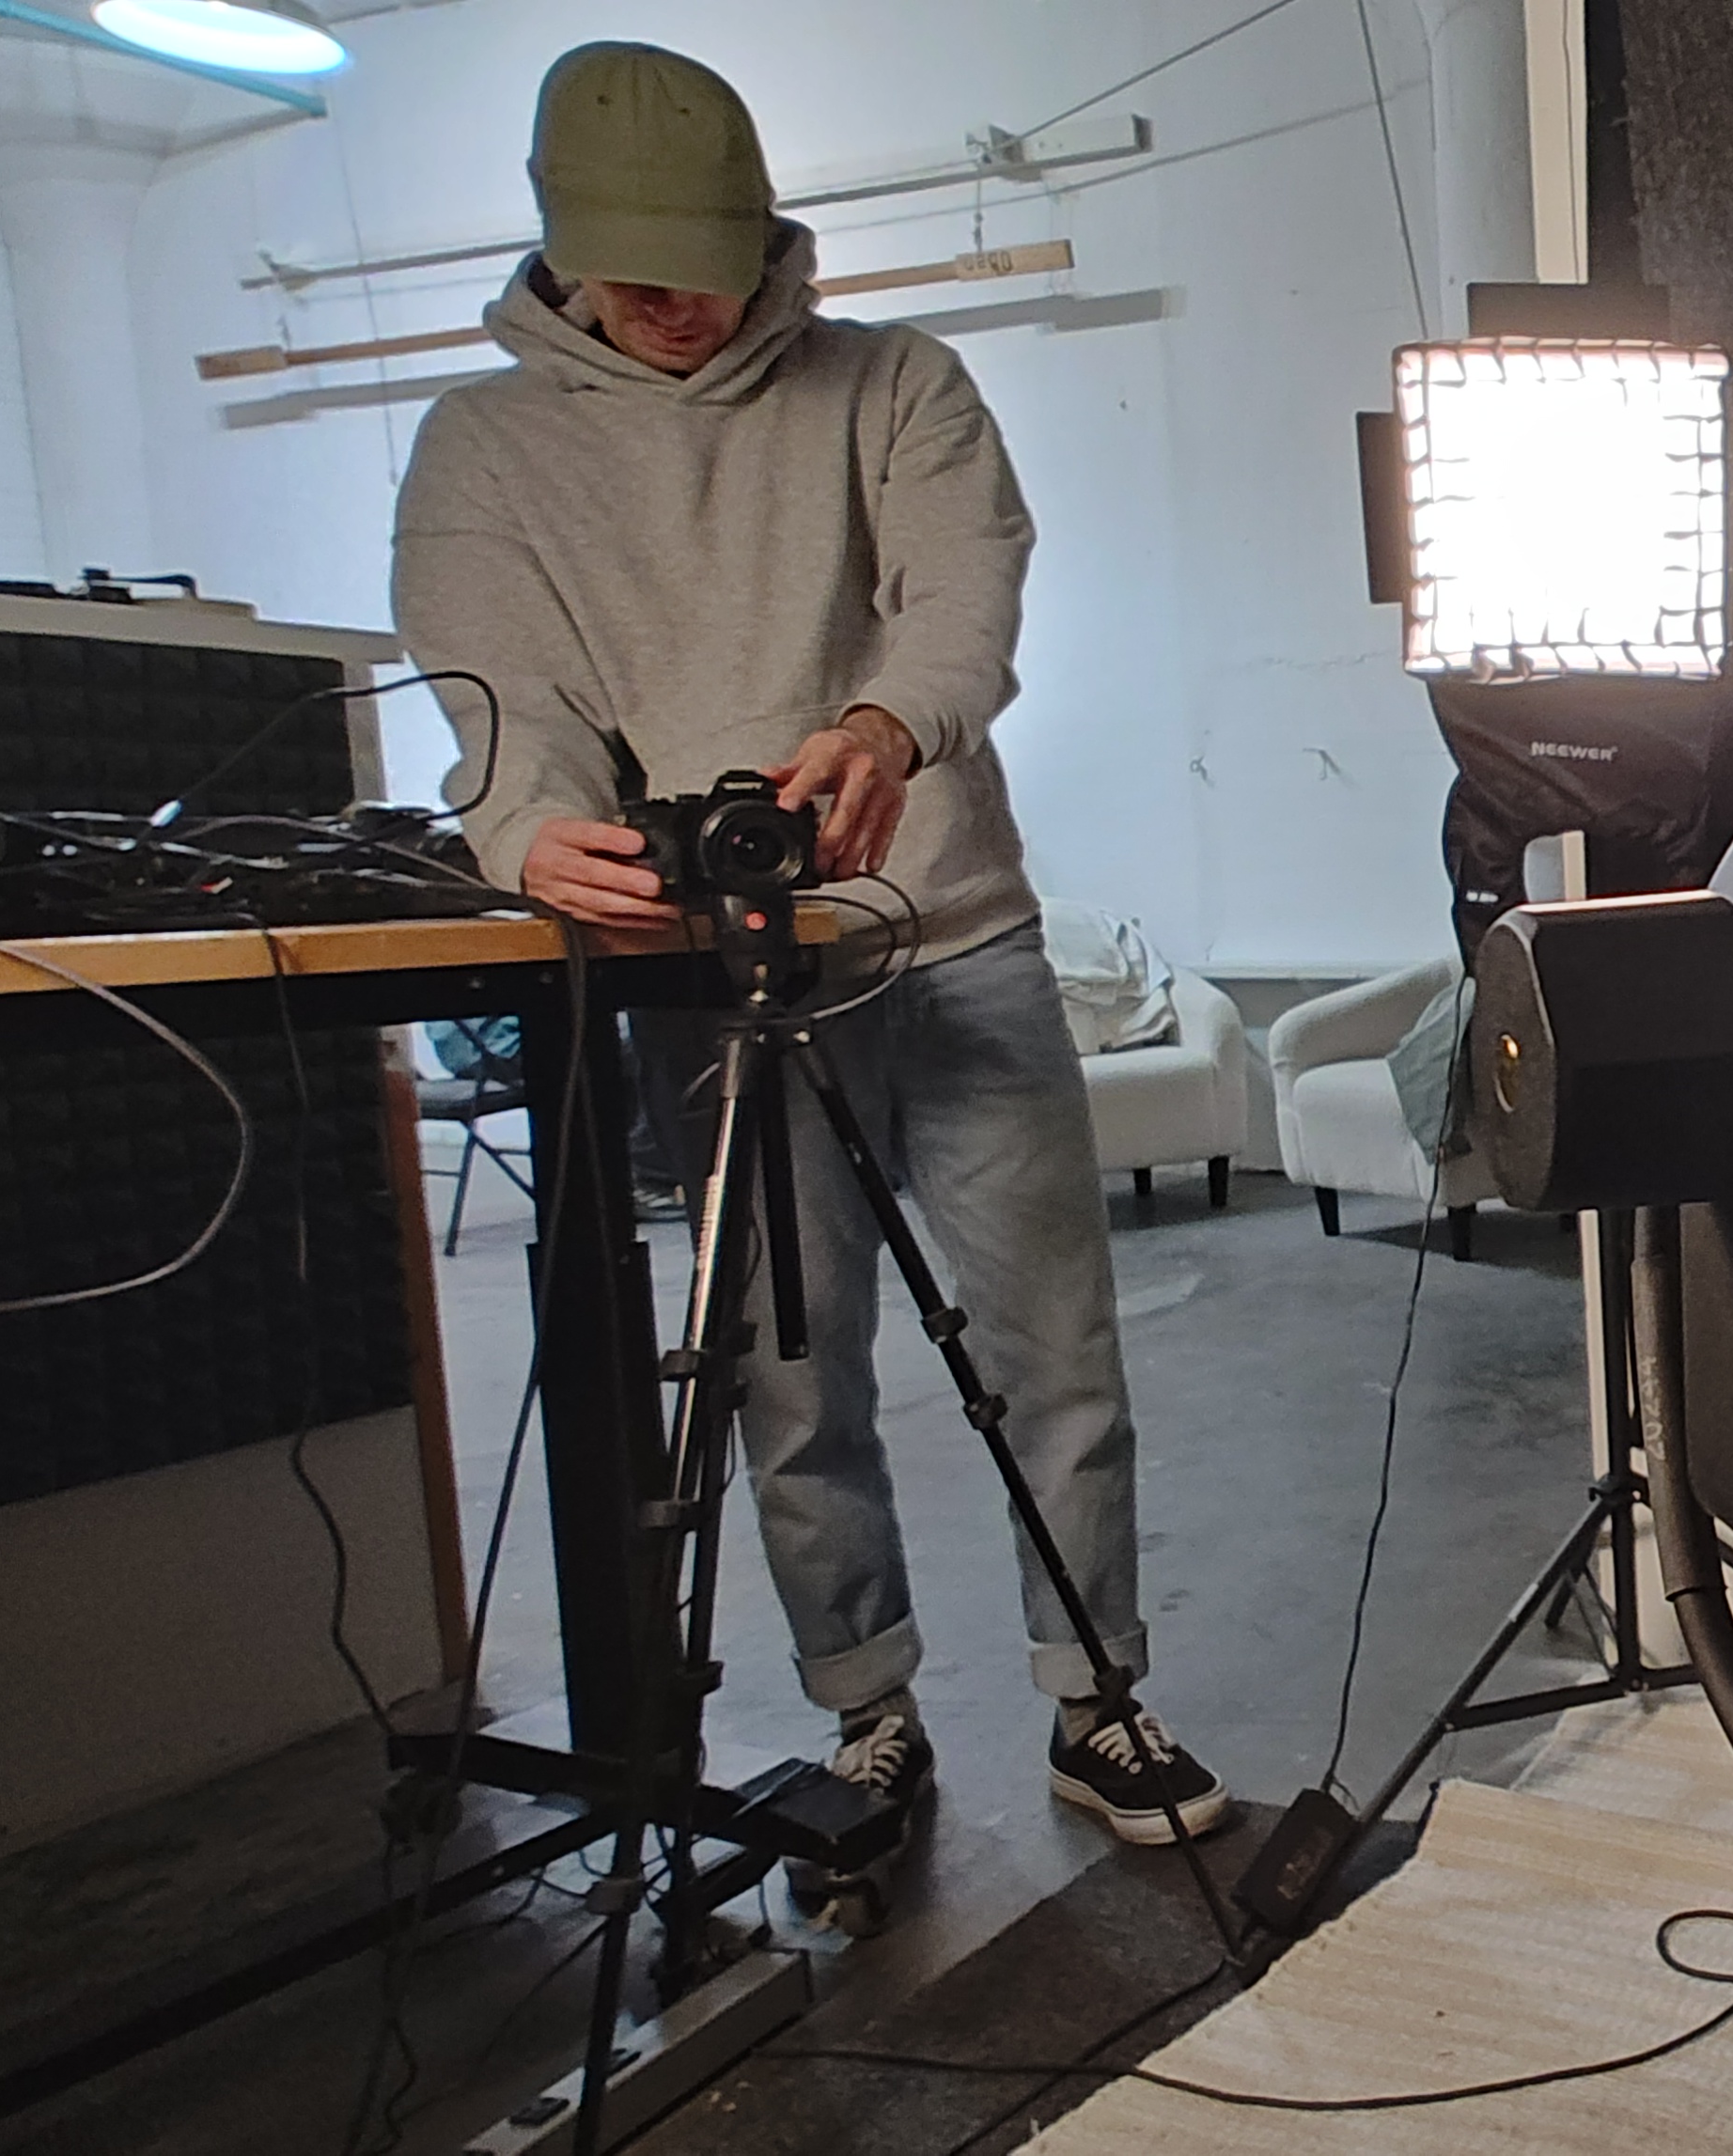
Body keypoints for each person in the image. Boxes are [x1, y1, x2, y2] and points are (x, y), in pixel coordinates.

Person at [391, 42, 1228, 1871]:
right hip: (717, 975)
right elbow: (498, 699)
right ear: (564, 249)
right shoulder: (485, 447)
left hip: (957, 931)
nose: (685, 308)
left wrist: (881, 728)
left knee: (1056, 1352)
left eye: (713, 264)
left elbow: (964, 596)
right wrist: (525, 836)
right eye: (643, 277)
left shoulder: (897, 383)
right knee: (793, 1373)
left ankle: (1100, 1698)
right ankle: (867, 1708)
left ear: (766, 232)